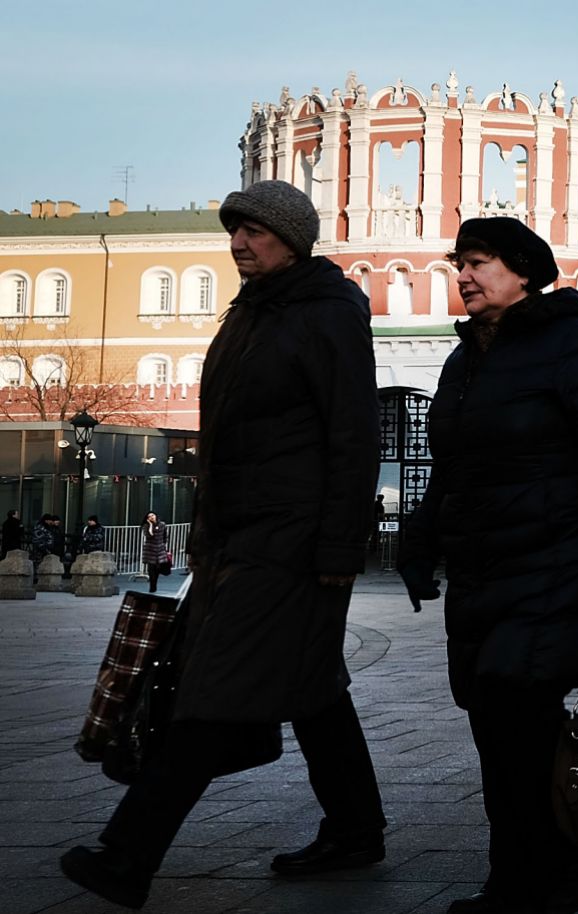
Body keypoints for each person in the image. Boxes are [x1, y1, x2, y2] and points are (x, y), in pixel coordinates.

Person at [60, 179, 387, 909]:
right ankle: (357, 829)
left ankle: (127, 854)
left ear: (292, 238)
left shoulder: (326, 314)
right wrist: (207, 537)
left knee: (210, 695)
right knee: (315, 691)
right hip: (238, 540)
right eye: (233, 231)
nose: (239, 243)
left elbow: (354, 435)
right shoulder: (250, 314)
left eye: (255, 232)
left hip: (291, 544)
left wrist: (339, 546)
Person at [399, 216, 578, 914]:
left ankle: (556, 873)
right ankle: (512, 879)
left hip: (556, 563)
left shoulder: (570, 340)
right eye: (460, 264)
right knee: (493, 731)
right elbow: (447, 469)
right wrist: (419, 542)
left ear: (521, 269)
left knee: (523, 723)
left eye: (478, 262)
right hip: (483, 573)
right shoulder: (464, 360)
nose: (464, 276)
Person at [141, 513, 171, 593]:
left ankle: (154, 584)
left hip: (160, 549)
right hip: (150, 550)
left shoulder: (162, 524)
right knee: (151, 569)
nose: (151, 517)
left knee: (157, 569)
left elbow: (165, 536)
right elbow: (149, 535)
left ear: (156, 516)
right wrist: (150, 525)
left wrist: (164, 544)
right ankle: (152, 587)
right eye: (149, 516)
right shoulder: (146, 526)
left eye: (153, 515)